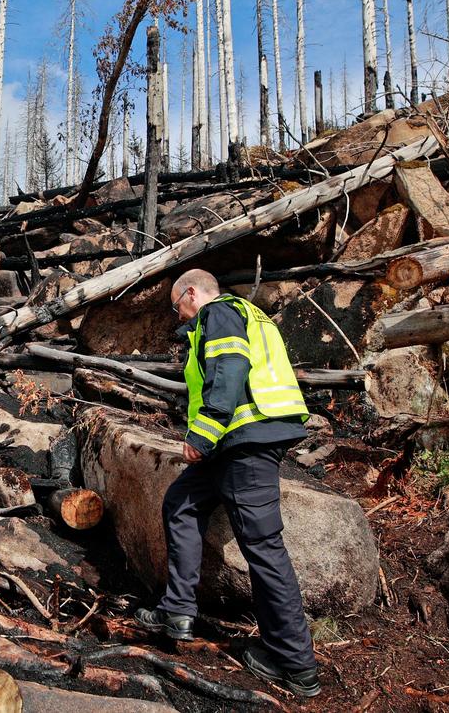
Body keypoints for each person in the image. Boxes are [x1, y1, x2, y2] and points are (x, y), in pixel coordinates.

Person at [134, 269, 320, 698]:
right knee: (181, 502)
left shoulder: (219, 314)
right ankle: (177, 611)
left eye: (177, 305)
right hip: (233, 444)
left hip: (246, 442)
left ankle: (296, 664)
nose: (177, 315)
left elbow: (230, 370)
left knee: (263, 549)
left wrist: (202, 433)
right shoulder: (245, 315)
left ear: (193, 293)